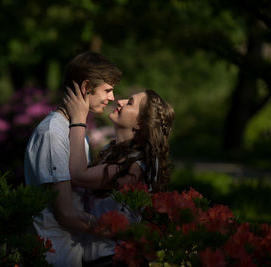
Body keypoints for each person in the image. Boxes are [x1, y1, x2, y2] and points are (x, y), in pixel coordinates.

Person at [24, 51, 122, 267]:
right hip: (53, 256)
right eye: (107, 90)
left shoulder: (73, 130)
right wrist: (113, 231)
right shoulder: (53, 132)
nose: (112, 98)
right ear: (86, 87)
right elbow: (65, 213)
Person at [63, 84, 174, 261]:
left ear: (140, 123)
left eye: (130, 103)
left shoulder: (134, 167)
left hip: (112, 259)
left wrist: (78, 119)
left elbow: (78, 176)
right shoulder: (114, 151)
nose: (120, 101)